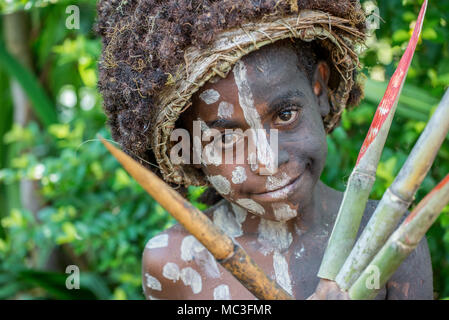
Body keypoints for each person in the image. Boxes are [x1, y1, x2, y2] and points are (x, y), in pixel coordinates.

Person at [96, 0, 433, 300]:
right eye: (226, 140)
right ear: (188, 148)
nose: (269, 161)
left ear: (318, 90)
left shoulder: (388, 238)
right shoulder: (175, 263)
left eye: (285, 115)